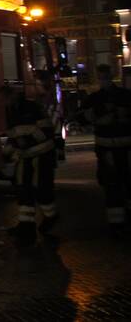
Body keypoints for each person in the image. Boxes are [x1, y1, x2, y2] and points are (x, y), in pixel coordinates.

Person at [77, 64, 131, 235]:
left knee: (120, 184)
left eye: (105, 77)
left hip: (122, 149)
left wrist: (123, 115)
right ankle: (117, 224)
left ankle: (118, 224)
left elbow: (83, 117)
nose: (103, 80)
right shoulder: (97, 99)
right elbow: (81, 118)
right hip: (109, 149)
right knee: (113, 185)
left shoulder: (123, 96)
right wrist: (101, 112)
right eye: (102, 77)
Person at [3, 84, 58, 246]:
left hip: (42, 155)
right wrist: (6, 155)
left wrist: (27, 140)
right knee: (24, 189)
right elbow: (13, 136)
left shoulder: (32, 108)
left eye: (5, 98)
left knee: (41, 189)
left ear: (12, 96)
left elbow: (45, 130)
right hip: (27, 156)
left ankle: (51, 216)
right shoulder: (12, 110)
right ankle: (26, 227)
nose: (4, 102)